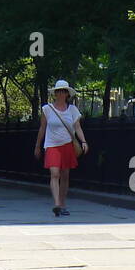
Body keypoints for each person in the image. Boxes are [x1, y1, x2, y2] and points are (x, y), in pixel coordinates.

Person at [35, 79, 88, 217]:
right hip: (52, 145)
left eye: (63, 91)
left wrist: (83, 141)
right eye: (58, 91)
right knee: (55, 174)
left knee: (65, 175)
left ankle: (63, 204)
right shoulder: (47, 109)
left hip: (67, 145)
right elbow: (42, 128)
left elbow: (77, 127)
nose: (61, 93)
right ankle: (57, 204)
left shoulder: (72, 110)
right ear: (55, 93)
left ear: (67, 94)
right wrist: (38, 146)